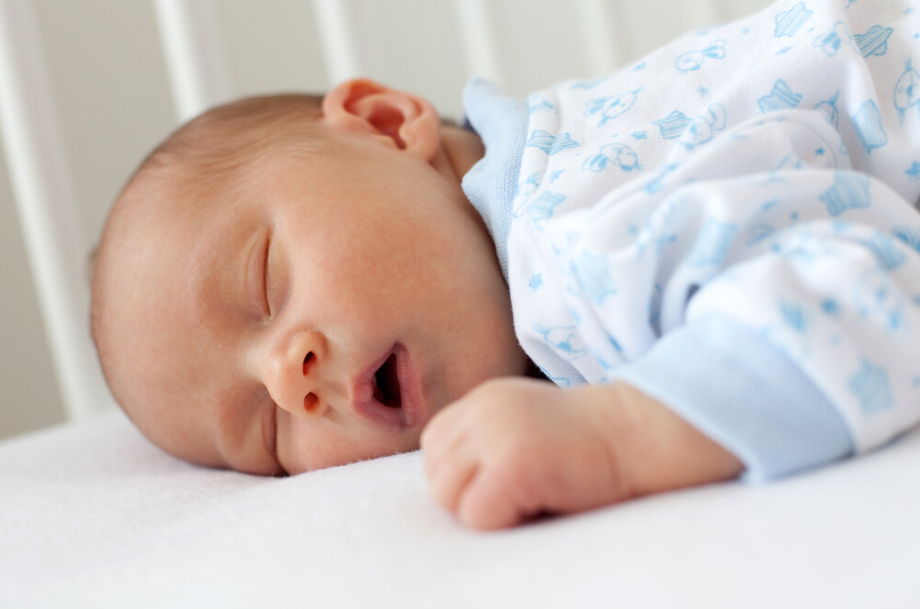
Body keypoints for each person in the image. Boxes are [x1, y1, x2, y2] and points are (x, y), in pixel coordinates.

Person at [92, 0, 920, 529]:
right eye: (267, 434)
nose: (286, 378)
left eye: (264, 281)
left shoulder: (572, 235)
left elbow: (865, 292)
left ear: (384, 123)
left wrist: (621, 432)